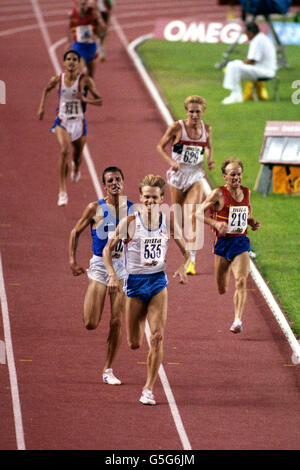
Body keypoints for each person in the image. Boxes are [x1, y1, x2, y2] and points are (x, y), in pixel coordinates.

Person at [103, 174, 190, 405]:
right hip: (134, 285)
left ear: (162, 199)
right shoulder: (130, 223)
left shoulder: (168, 222)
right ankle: (140, 327)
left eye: (155, 197)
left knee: (158, 337)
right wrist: (112, 275)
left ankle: (148, 389)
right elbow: (106, 251)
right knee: (134, 343)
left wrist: (182, 268)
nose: (151, 201)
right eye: (147, 197)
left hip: (158, 283)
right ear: (141, 197)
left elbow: (187, 251)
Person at [69, 167, 133, 385]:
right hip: (99, 266)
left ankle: (108, 369)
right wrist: (72, 260)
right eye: (110, 180)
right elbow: (75, 232)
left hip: (121, 268)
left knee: (116, 321)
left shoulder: (132, 210)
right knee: (90, 322)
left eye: (118, 179)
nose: (115, 183)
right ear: (104, 185)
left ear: (123, 182)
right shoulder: (94, 208)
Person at [200, 157, 260, 333]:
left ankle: (237, 320)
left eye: (239, 174)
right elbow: (196, 213)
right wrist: (215, 224)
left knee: (241, 281)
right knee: (222, 288)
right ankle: (235, 313)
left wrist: (251, 222)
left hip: (240, 241)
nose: (236, 178)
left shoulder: (246, 193)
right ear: (224, 177)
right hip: (223, 243)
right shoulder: (218, 194)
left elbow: (246, 212)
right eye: (232, 175)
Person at [156, 95, 215, 275]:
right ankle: (183, 249)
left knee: (193, 215)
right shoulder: (177, 127)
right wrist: (170, 161)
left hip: (195, 176)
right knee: (180, 218)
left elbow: (208, 147)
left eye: (198, 112)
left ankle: (191, 260)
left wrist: (210, 160)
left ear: (203, 112)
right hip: (178, 177)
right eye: (191, 112)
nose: (194, 115)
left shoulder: (207, 129)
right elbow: (160, 146)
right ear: (186, 111)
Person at [38, 49, 102, 206]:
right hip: (63, 122)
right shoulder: (58, 79)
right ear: (64, 62)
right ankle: (62, 191)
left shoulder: (85, 81)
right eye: (69, 59)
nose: (72, 62)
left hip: (79, 123)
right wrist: (42, 108)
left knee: (77, 156)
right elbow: (46, 89)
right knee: (65, 150)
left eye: (75, 59)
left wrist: (85, 99)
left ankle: (76, 168)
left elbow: (99, 100)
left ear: (79, 63)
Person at [222, 22, 277, 104]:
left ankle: (236, 95)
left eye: (246, 33)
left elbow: (251, 61)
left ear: (250, 33)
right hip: (265, 69)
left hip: (264, 71)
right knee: (234, 65)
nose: (246, 36)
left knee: (233, 66)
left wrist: (241, 62)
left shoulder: (257, 40)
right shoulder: (262, 38)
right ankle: (235, 94)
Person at [68, 0, 106, 77]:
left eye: (85, 4)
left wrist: (98, 20)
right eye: (82, 4)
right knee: (79, 72)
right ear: (78, 4)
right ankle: (80, 86)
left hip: (90, 46)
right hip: (78, 46)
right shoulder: (72, 14)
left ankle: (85, 87)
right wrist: (69, 43)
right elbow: (69, 29)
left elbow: (103, 28)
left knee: (91, 74)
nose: (84, 7)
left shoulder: (93, 13)